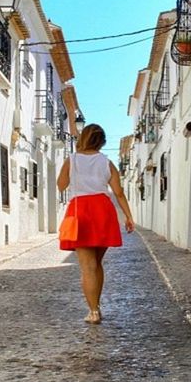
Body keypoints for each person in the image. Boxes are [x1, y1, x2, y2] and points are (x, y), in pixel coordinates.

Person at [57, 123, 134, 324]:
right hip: (102, 211)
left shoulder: (71, 160)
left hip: (80, 210)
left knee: (88, 267)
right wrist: (128, 216)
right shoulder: (106, 162)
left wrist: (73, 173)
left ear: (83, 138)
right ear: (102, 142)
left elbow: (61, 185)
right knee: (97, 264)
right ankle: (96, 306)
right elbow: (119, 192)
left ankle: (93, 311)